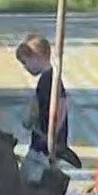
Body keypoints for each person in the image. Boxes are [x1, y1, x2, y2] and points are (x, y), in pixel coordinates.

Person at [15, 33, 82, 168]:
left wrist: (52, 136)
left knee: (32, 172)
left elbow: (61, 106)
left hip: (46, 141)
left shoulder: (50, 80)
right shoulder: (46, 79)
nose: (24, 67)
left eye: (25, 62)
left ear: (37, 57)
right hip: (42, 138)